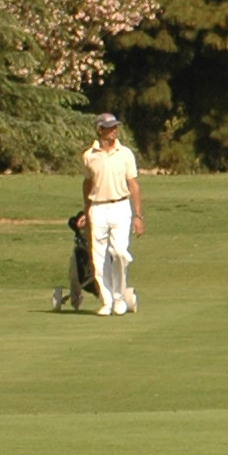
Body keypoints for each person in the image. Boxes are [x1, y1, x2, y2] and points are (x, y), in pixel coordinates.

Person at [79, 112, 142, 316]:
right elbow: (87, 184)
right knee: (99, 257)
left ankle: (119, 297)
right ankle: (107, 301)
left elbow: (133, 185)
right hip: (98, 207)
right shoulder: (89, 156)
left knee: (120, 253)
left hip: (120, 206)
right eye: (110, 127)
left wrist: (138, 216)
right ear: (100, 130)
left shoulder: (125, 154)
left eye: (115, 126)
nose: (114, 130)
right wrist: (86, 210)